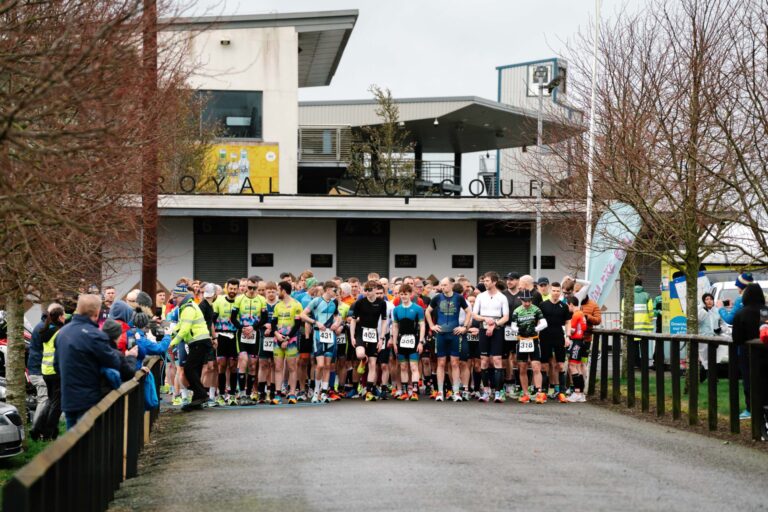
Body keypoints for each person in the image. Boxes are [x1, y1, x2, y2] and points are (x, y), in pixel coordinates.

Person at [54, 295, 135, 428]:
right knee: (91, 443)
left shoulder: (62, 333)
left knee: (73, 442)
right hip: (89, 400)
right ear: (97, 312)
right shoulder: (95, 335)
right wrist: (130, 357)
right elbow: (115, 363)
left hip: (68, 398)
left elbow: (56, 367)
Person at [426, 277, 472, 402]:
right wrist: (431, 325)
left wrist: (464, 327)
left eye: (445, 285)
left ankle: (456, 392)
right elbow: (427, 311)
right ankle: (440, 392)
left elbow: (468, 312)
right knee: (441, 363)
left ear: (451, 285)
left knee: (455, 363)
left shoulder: (458, 297)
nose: (443, 287)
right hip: (441, 334)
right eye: (442, 285)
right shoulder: (437, 297)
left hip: (454, 334)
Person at [170, 293, 213, 411]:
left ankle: (201, 394)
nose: (173, 300)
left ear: (182, 297)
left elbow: (184, 329)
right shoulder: (187, 307)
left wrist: (171, 343)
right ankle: (197, 399)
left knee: (189, 368)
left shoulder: (188, 308)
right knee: (196, 370)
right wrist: (171, 333)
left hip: (199, 341)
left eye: (175, 298)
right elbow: (180, 325)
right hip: (199, 341)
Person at [301, 281, 342, 403]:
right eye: (335, 290)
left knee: (328, 365)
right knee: (320, 365)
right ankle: (316, 392)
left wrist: (337, 323)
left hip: (330, 335)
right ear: (328, 289)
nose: (336, 293)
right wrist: (315, 322)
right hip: (318, 335)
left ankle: (324, 393)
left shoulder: (334, 302)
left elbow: (338, 316)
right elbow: (302, 315)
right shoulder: (316, 301)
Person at [472, 272, 510, 403]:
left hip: (497, 330)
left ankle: (498, 392)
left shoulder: (502, 297)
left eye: (487, 281)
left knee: (497, 360)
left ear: (494, 282)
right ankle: (486, 391)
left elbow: (506, 317)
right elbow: (475, 315)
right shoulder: (480, 297)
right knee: (484, 360)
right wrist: (486, 319)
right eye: (484, 281)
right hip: (483, 329)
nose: (485, 283)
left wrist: (495, 324)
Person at [730, 283, 765, 421]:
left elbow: (736, 338)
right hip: (765, 352)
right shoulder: (765, 311)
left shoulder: (742, 313)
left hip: (748, 353)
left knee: (749, 380)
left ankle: (751, 408)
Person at [30, 304, 65, 440]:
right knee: (56, 405)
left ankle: (37, 429)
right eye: (63, 315)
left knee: (50, 402)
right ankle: (48, 434)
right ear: (60, 317)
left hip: (46, 371)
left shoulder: (45, 329)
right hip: (55, 371)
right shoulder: (58, 332)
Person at [349, 280, 387, 401]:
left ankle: (369, 391)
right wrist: (352, 336)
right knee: (360, 354)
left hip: (373, 333)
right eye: (365, 290)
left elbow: (385, 321)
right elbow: (353, 320)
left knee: (373, 364)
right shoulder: (359, 302)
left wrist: (381, 338)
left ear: (376, 289)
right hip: (361, 332)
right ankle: (363, 359)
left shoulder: (382, 303)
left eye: (369, 290)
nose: (367, 292)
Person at [231, 276, 266, 404]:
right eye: (249, 287)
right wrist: (242, 328)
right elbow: (233, 318)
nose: (251, 290)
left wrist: (253, 327)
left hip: (255, 334)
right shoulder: (239, 299)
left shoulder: (261, 300)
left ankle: (248, 394)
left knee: (252, 364)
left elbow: (264, 318)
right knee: (243, 360)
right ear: (246, 287)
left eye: (254, 288)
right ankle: (241, 393)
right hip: (242, 334)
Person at [510, 289, 547, 404]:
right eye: (525, 301)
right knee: (522, 367)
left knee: (536, 366)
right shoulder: (517, 311)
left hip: (533, 340)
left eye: (529, 301)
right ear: (521, 300)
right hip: (522, 341)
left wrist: (535, 329)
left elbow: (544, 323)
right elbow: (513, 326)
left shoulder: (536, 309)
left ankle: (539, 392)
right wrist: (519, 329)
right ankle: (525, 393)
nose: (527, 303)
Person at [270, 281, 304, 404]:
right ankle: (278, 394)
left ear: (283, 290)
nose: (276, 293)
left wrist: (287, 338)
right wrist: (277, 335)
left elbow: (297, 325)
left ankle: (292, 394)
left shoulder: (297, 305)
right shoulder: (277, 306)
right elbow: (273, 323)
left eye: (278, 290)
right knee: (278, 367)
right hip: (277, 339)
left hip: (292, 340)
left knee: (291, 367)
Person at [391, 284, 425, 401]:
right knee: (403, 366)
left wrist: (420, 342)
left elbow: (422, 325)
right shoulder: (396, 309)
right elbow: (395, 326)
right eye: (401, 294)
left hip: (414, 340)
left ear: (411, 294)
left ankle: (414, 391)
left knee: (414, 366)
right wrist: (394, 342)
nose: (404, 296)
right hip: (401, 340)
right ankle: (405, 391)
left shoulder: (418, 309)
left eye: (406, 294)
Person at [538, 282, 571, 402]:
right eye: (554, 290)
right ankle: (544, 392)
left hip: (559, 337)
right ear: (550, 291)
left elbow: (568, 322)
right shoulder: (542, 305)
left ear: (560, 292)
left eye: (558, 291)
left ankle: (561, 392)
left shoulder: (564, 306)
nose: (556, 293)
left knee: (560, 365)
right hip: (545, 337)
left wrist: (568, 337)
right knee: (544, 365)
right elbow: (538, 322)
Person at [212, 278, 240, 405]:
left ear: (238, 289)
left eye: (235, 289)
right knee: (222, 365)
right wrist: (213, 336)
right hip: (221, 335)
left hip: (235, 336)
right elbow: (212, 320)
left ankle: (233, 394)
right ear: (226, 288)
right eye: (231, 288)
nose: (233, 291)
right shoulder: (219, 300)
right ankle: (221, 394)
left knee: (233, 366)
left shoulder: (240, 301)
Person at [566, 296, 588, 403]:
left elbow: (572, 330)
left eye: (567, 305)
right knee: (578, 367)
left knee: (572, 366)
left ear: (570, 304)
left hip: (576, 342)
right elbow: (584, 328)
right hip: (581, 341)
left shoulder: (575, 314)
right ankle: (581, 394)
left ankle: (577, 392)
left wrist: (566, 331)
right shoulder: (581, 313)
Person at [697, 292, 722, 383]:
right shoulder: (701, 310)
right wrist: (704, 311)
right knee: (706, 359)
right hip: (703, 338)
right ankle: (708, 377)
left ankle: (711, 377)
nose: (709, 301)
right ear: (703, 301)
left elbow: (719, 321)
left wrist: (719, 329)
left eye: (711, 299)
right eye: (707, 299)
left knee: (713, 358)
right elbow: (698, 321)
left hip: (714, 337)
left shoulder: (715, 310)